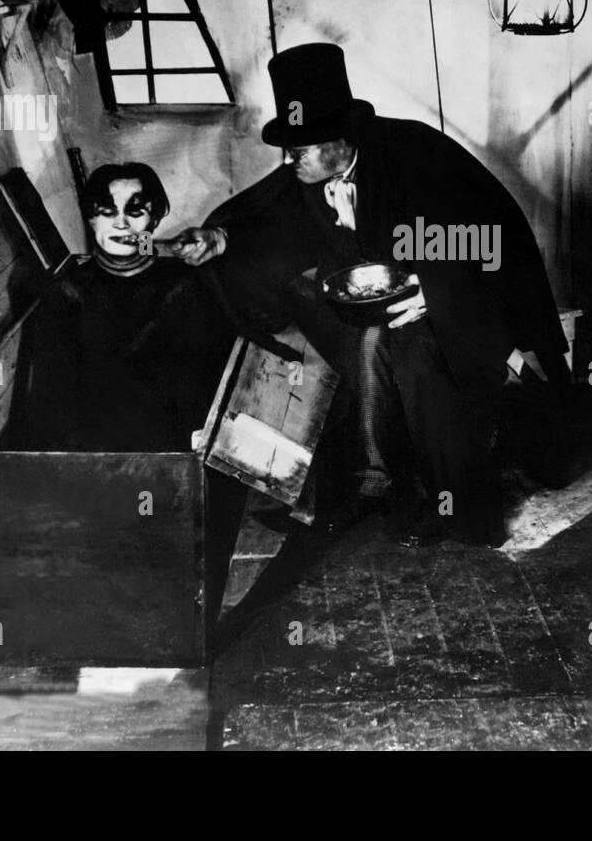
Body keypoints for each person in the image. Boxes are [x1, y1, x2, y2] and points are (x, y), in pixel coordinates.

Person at [174, 42, 569, 546]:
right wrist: (220, 238)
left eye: (299, 149)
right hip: (389, 301)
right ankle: (370, 486)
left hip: (467, 301)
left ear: (338, 140)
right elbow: (269, 219)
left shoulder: (416, 154)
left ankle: (451, 504)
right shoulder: (310, 176)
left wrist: (433, 288)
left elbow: (487, 233)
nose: (289, 159)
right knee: (339, 346)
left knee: (415, 361)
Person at [0, 162, 234, 454]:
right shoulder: (66, 295)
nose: (120, 223)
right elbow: (53, 405)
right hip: (95, 456)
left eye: (135, 211)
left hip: (167, 451)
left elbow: (201, 394)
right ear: (90, 219)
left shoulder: (185, 289)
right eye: (107, 211)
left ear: (153, 220)